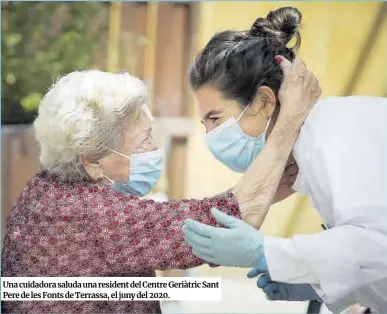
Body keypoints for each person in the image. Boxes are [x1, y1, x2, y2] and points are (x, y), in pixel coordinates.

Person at [1, 61, 320, 313]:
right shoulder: (92, 215)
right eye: (144, 141)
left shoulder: (45, 190)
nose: (155, 149)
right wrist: (289, 121)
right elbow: (220, 226)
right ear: (92, 160)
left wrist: (270, 186)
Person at [183, 6, 387, 313]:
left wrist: (267, 253)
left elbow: (378, 246)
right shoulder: (315, 150)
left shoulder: (334, 134)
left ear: (264, 101)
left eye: (215, 118)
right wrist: (315, 284)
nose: (211, 136)